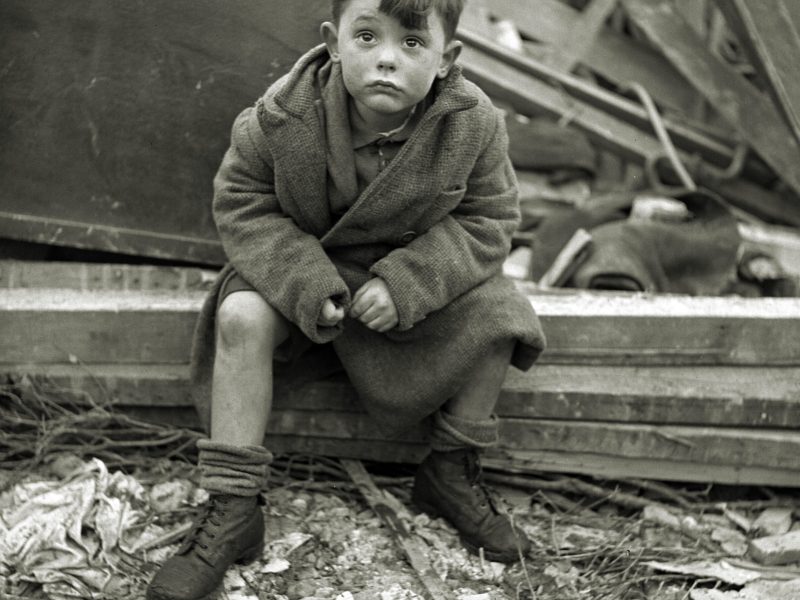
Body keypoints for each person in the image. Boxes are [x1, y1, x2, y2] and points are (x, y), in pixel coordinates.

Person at [146, 1, 545, 598]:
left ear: (447, 59)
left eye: (413, 43)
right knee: (240, 316)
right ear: (334, 43)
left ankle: (450, 471)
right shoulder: (281, 115)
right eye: (367, 37)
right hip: (304, 269)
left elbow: (489, 219)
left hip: (409, 279)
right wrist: (307, 282)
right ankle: (234, 505)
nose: (386, 59)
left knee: (503, 316)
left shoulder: (472, 123)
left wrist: (408, 282)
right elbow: (243, 204)